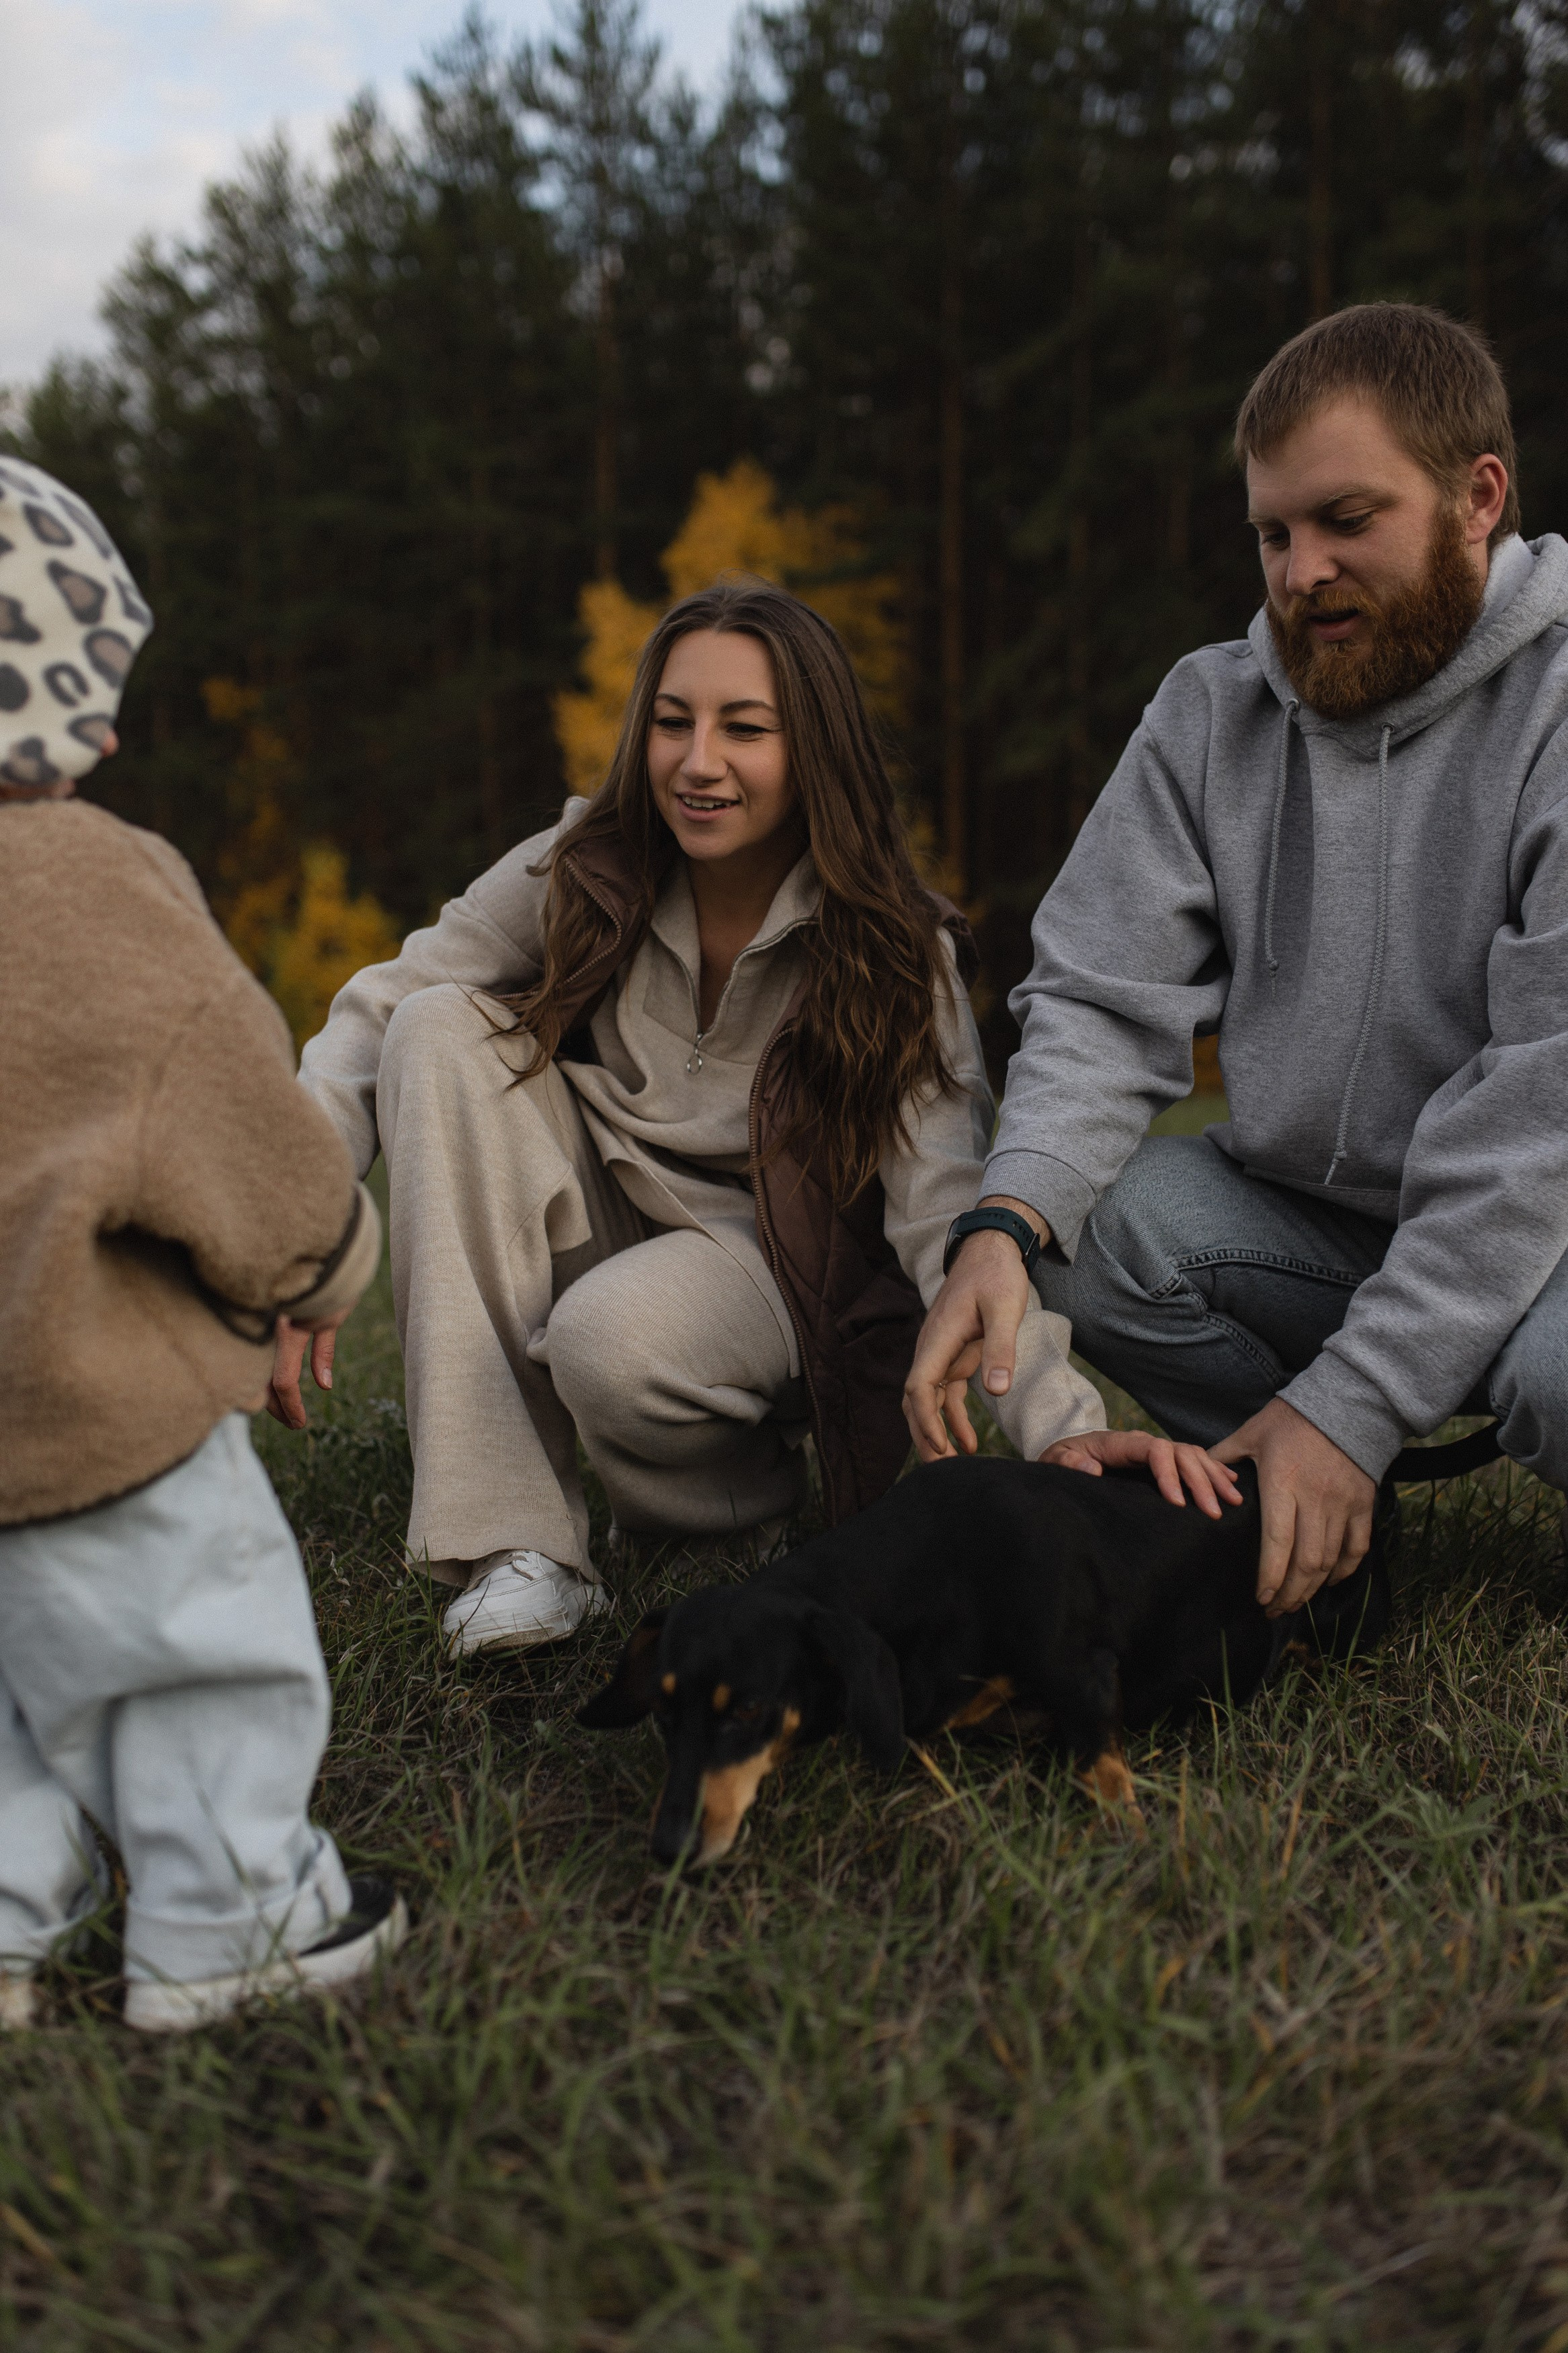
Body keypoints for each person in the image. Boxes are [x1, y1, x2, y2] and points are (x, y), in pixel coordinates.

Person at [284, 578, 1236, 1659]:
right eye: (672, 721)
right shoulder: (585, 862)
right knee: (435, 1026)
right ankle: (518, 1551)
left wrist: (1071, 1434)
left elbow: (942, 1220)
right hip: (598, 1206)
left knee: (608, 1340)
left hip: (771, 1270)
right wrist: (292, 1230)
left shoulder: (888, 950)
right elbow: (377, 1003)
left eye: (745, 728)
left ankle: (727, 1508)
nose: (699, 762)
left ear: (813, 749)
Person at [907, 301, 1568, 1622]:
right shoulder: (1212, 708)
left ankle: (1333, 1436)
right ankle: (1315, 1513)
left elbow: (1539, 1118)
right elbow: (1099, 994)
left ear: (1477, 495)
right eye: (1273, 531)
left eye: (1346, 520)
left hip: (1548, 1221)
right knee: (1100, 1237)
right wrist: (1002, 1218)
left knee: (1561, 1370)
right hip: (1323, 1215)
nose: (1299, 570)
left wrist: (1353, 1393)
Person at [0, 456, 404, 2034]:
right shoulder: (98, 887)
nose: (110, 729)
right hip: (101, 1407)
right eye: (95, 688)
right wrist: (323, 1265)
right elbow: (235, 1125)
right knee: (194, 1655)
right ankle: (234, 1918)